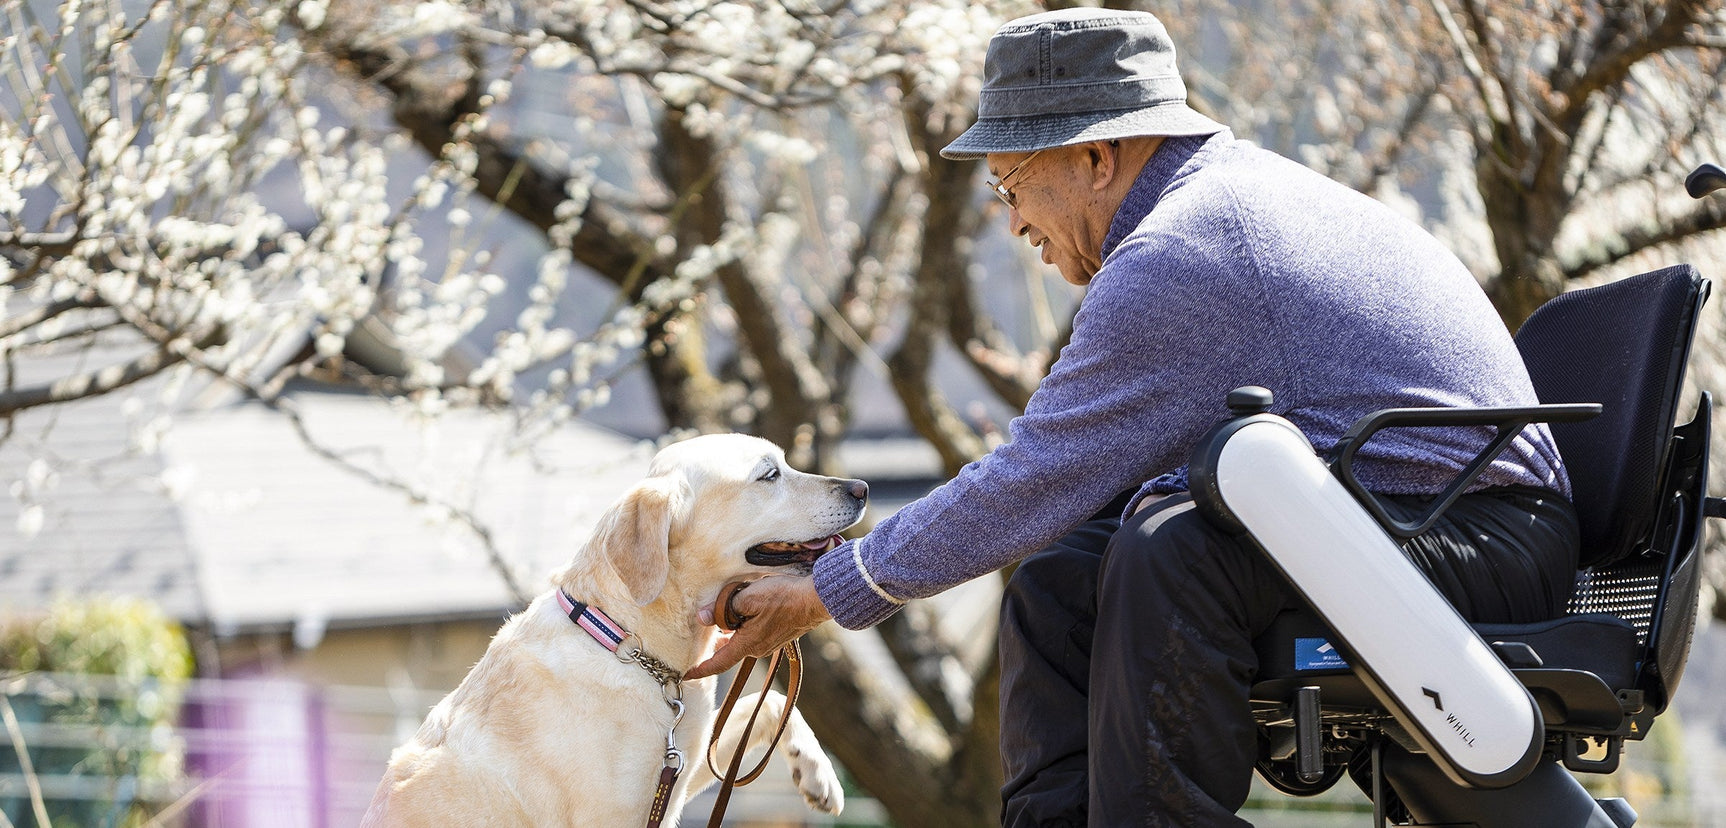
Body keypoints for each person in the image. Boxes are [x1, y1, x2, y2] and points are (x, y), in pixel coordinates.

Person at [687, 7, 1579, 826]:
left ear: (1095, 157)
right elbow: (1055, 499)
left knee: (1173, 548)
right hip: (1401, 527)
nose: (1014, 225)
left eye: (1013, 187)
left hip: (1470, 542)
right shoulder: (1216, 210)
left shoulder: (1183, 254)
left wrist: (831, 592)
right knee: (1064, 573)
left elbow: (1034, 474)